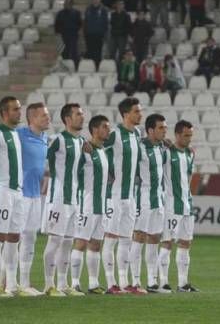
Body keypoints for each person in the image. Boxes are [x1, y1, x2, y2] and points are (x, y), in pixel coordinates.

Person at [43, 104, 86, 297]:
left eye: (82, 114)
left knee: (68, 242)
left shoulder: (82, 141)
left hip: (74, 198)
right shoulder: (57, 140)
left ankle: (63, 283)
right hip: (58, 198)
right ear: (68, 119)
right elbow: (42, 161)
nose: (82, 117)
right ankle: (48, 285)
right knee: (55, 240)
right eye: (78, 114)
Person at [102, 97, 143, 295]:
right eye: (136, 111)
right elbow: (95, 146)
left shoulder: (136, 133)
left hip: (130, 195)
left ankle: (126, 282)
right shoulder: (114, 135)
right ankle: (111, 284)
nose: (140, 114)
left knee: (127, 239)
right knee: (111, 238)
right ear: (126, 114)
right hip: (114, 195)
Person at [0, 97, 26, 296]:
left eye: (19, 109)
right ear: (4, 113)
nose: (20, 112)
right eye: (15, 110)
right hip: (2, 191)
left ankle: (11, 284)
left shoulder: (15, 134)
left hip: (17, 192)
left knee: (14, 238)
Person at [69, 115, 111, 294]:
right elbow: (72, 171)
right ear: (95, 130)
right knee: (81, 243)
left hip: (101, 206)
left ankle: (93, 284)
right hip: (86, 205)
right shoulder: (83, 149)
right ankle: (74, 283)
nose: (108, 130)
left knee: (95, 245)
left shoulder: (103, 151)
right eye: (104, 127)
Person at [159, 120, 198, 293]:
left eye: (190, 135)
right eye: (185, 135)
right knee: (166, 243)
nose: (189, 139)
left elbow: (188, 179)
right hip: (171, 205)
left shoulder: (190, 154)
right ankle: (163, 282)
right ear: (176, 135)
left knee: (185, 243)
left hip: (187, 204)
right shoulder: (166, 153)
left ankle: (183, 283)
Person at [16, 103, 50, 295]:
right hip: (20, 195)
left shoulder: (45, 138)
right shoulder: (19, 135)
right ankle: (5, 282)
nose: (48, 118)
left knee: (30, 238)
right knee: (12, 239)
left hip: (36, 195)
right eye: (44, 116)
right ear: (32, 119)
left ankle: (24, 283)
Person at [132, 114, 167, 293]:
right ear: (151, 130)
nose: (165, 130)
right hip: (143, 198)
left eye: (165, 127)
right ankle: (135, 281)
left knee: (154, 238)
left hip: (158, 199)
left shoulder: (162, 147)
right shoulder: (139, 147)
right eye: (161, 128)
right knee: (138, 236)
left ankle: (152, 281)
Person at [55, 0, 83, 68]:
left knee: (74, 53)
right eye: (66, 3)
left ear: (72, 4)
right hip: (64, 36)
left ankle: (76, 68)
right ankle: (65, 68)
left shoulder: (77, 13)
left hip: (73, 36)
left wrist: (78, 31)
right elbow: (57, 25)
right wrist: (58, 34)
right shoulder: (60, 13)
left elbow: (80, 24)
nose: (67, 5)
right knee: (65, 53)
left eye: (69, 3)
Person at [84, 0, 109, 67]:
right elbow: (86, 22)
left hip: (99, 35)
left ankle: (97, 67)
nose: (96, 0)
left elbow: (106, 23)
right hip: (89, 34)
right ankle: (90, 67)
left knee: (98, 52)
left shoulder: (103, 10)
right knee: (90, 52)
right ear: (92, 0)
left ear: (100, 0)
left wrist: (104, 34)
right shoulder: (88, 9)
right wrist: (85, 32)